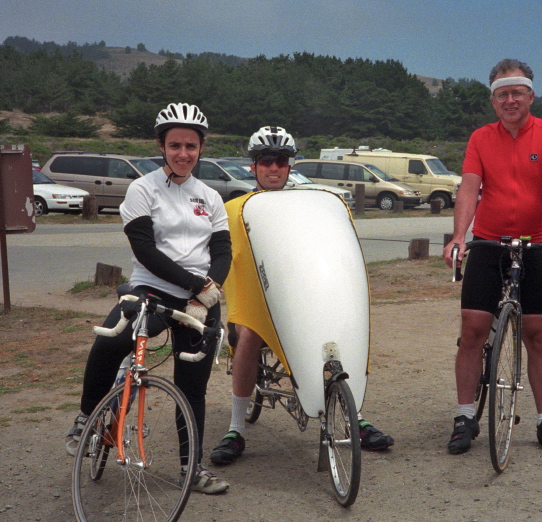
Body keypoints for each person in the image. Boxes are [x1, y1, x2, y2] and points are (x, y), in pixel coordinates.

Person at [64, 102, 232, 494]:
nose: (184, 153)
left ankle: (192, 469)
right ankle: (86, 416)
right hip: (153, 287)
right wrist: (195, 287)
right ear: (161, 145)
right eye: (175, 145)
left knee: (193, 388)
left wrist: (208, 293)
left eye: (191, 146)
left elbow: (222, 251)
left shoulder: (209, 195)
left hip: (200, 299)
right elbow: (145, 251)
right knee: (113, 336)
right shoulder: (143, 188)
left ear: (202, 147)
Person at [209, 126, 394, 466]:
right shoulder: (234, 208)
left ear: (290, 166)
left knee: (341, 330)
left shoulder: (311, 205)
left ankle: (356, 416)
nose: (274, 168)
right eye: (266, 161)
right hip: (255, 299)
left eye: (281, 161)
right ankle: (236, 429)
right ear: (253, 166)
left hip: (297, 294)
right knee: (249, 335)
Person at [442, 59, 542, 455]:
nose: (509, 100)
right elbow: (469, 189)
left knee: (537, 334)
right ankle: (465, 414)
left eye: (516, 92)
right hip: (488, 243)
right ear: (493, 100)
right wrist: (458, 237)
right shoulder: (481, 139)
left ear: (530, 96)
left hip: (533, 243)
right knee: (472, 330)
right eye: (501, 94)